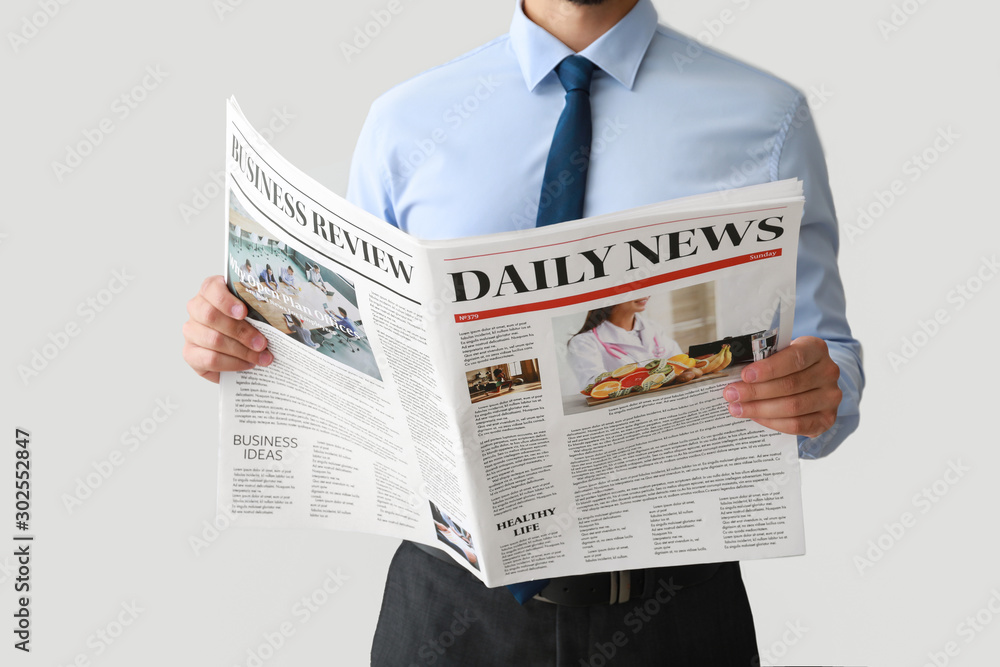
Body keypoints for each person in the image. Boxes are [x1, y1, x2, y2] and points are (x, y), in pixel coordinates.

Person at [181, 0, 864, 664]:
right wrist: (247, 345)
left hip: (675, 615)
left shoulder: (765, 119)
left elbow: (830, 362)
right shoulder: (405, 123)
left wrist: (817, 394)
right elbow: (361, 355)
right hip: (447, 613)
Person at [567, 296, 683, 390]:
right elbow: (594, 386)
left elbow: (680, 363)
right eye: (634, 287)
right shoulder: (584, 342)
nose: (645, 293)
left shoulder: (653, 328)